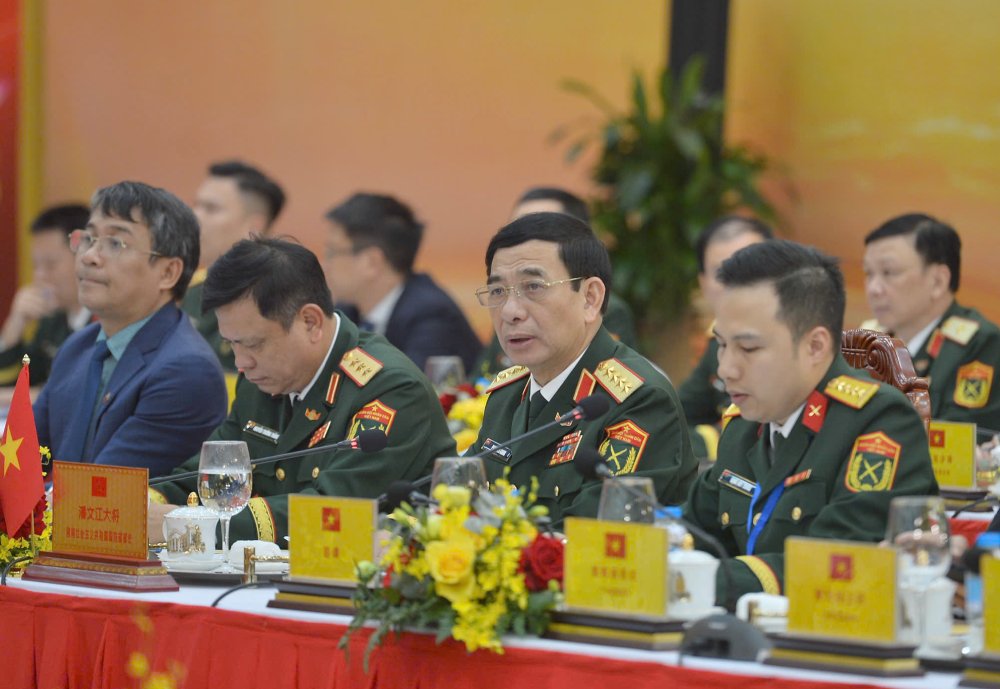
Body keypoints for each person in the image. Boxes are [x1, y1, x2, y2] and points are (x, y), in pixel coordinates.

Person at [149, 237, 456, 542]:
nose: (242, 363)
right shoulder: (264, 378)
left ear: (310, 322)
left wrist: (185, 526)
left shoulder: (390, 390)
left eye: (254, 344)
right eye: (232, 344)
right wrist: (149, 503)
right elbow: (209, 476)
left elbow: (330, 509)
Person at [682, 240, 938, 605]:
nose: (726, 369)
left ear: (815, 346)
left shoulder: (879, 422)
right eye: (722, 345)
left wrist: (692, 579)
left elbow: (837, 561)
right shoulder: (744, 424)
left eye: (749, 349)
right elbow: (694, 531)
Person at [465, 212, 698, 525]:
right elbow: (462, 501)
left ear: (590, 298)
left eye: (533, 287)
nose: (510, 311)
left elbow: (593, 536)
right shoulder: (507, 394)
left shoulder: (639, 401)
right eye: (498, 292)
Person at [33, 181, 228, 476]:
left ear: (167, 272)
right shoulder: (79, 346)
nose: (88, 257)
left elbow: (101, 494)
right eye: (88, 238)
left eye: (115, 243)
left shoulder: (185, 370)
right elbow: (25, 462)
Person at [472, 186, 638, 381]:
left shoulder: (608, 310)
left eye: (534, 287)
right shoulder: (510, 306)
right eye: (518, 227)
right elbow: (480, 379)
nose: (511, 312)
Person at [863, 213, 1000, 430]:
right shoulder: (868, 342)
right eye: (869, 274)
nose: (873, 289)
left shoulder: (979, 344)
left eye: (888, 272)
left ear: (938, 281)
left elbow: (961, 443)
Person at [323, 192, 482, 375]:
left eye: (332, 253)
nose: (325, 264)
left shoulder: (431, 315)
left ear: (371, 262)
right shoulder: (346, 312)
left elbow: (405, 389)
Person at [678, 216, 774, 458]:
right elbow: (673, 418)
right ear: (703, 284)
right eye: (723, 272)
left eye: (751, 268)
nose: (737, 282)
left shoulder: (799, 345)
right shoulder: (717, 345)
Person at [186, 160, 286, 371]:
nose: (195, 216)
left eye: (211, 209)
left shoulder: (278, 299)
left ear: (253, 226)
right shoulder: (184, 291)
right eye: (196, 205)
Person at [0, 204, 92, 386]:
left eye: (50, 264)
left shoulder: (107, 320)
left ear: (87, 257)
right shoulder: (52, 320)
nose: (39, 276)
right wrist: (15, 325)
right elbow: (23, 379)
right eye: (36, 266)